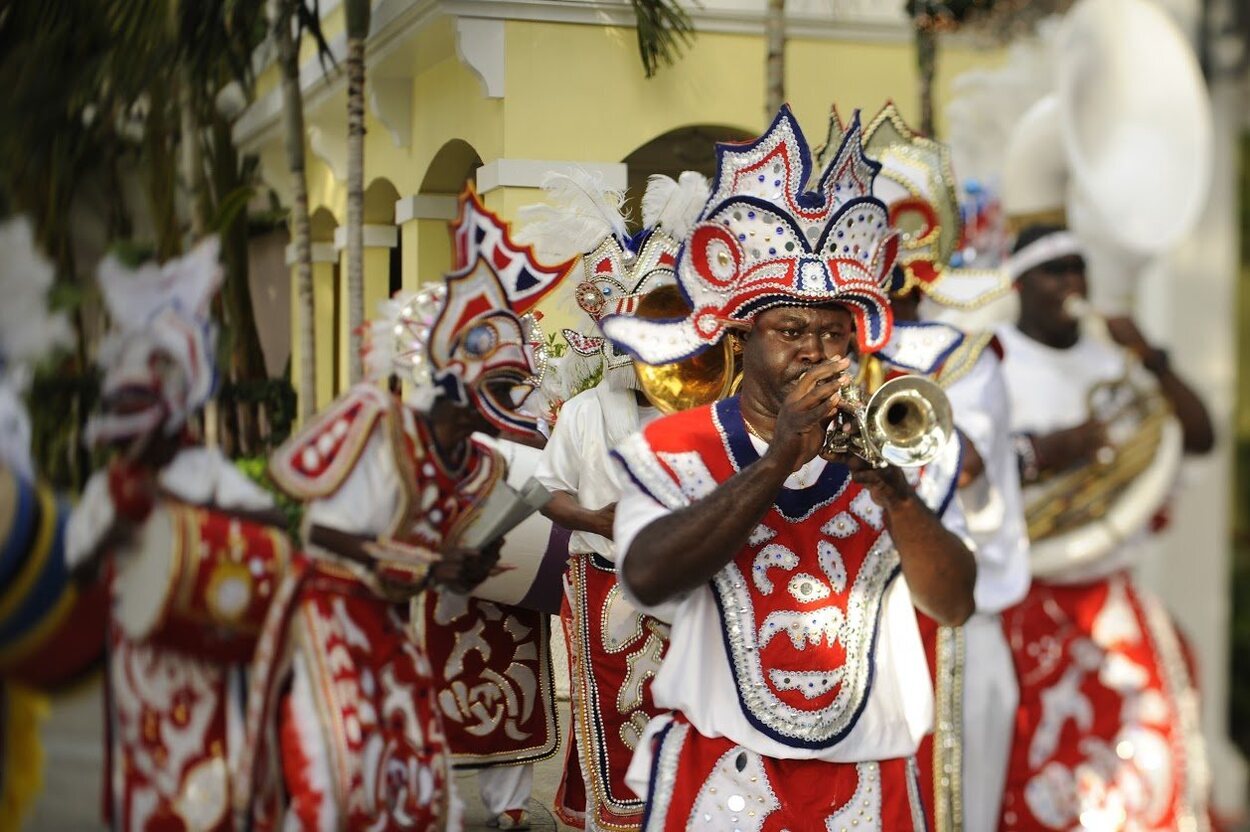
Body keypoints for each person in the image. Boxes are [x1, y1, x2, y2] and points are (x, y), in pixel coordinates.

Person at [598, 106, 977, 829]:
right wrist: (777, 460)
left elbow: (954, 603)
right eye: (792, 331)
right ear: (743, 336)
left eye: (835, 332)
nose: (814, 350)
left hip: (872, 791)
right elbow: (646, 575)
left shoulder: (906, 448)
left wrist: (892, 492)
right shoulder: (674, 447)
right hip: (723, 784)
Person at [248, 187, 568, 831]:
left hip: (395, 640)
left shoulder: (485, 463)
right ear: (453, 374)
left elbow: (452, 560)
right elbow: (320, 532)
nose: (522, 401)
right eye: (505, 387)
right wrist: (430, 561)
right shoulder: (375, 422)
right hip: (331, 632)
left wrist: (465, 567)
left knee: (415, 798)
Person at [825, 102, 1031, 831]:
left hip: (944, 608)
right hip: (833, 605)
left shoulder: (963, 353)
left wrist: (888, 400)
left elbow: (970, 469)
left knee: (950, 801)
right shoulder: (817, 344)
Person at [995, 223, 1215, 830]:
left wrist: (1149, 354)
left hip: (1108, 586)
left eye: (1077, 268)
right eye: (1054, 270)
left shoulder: (1114, 359)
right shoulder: (990, 360)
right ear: (1019, 281)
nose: (1070, 283)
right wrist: (1052, 452)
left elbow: (1199, 439)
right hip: (1024, 594)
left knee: (1149, 754)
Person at [66, 238, 285, 831]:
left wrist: (193, 516)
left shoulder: (205, 471)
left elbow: (276, 525)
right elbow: (78, 571)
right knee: (144, 789)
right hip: (136, 661)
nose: (127, 447)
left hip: (208, 654)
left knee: (213, 782)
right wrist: (120, 512)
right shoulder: (108, 488)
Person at [520, 169, 709, 831]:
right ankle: (615, 813)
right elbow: (547, 491)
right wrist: (595, 519)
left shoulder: (701, 407)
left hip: (688, 584)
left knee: (684, 707)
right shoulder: (578, 412)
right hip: (603, 581)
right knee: (610, 712)